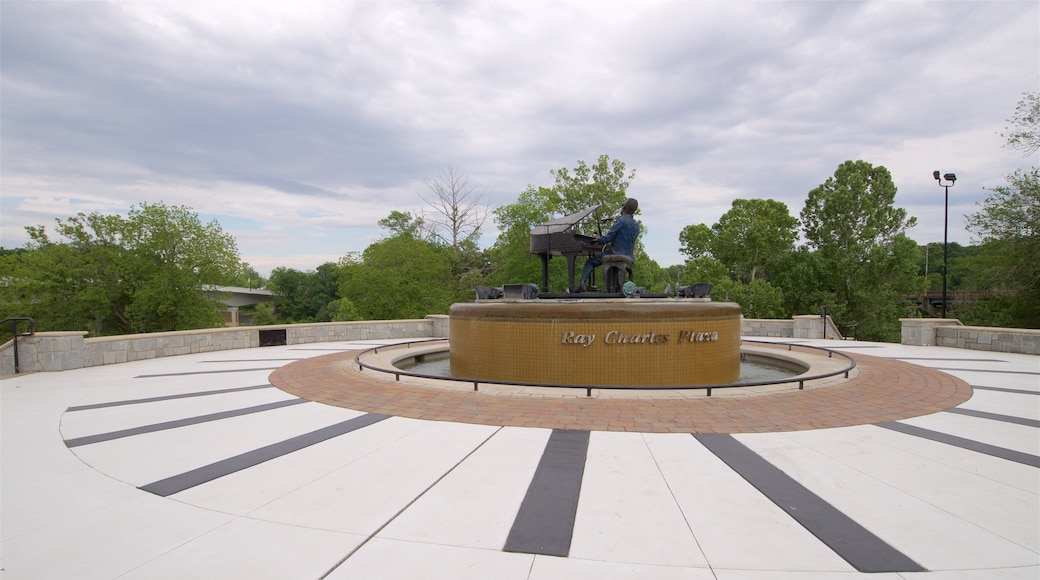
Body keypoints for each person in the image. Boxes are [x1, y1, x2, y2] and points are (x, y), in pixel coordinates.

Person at [576, 198, 640, 292]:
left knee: (590, 262)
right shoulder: (636, 225)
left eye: (622, 205)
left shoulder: (621, 221)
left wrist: (598, 240)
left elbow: (607, 238)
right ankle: (616, 287)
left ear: (624, 207)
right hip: (629, 256)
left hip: (616, 253)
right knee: (614, 268)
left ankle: (581, 283)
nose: (621, 207)